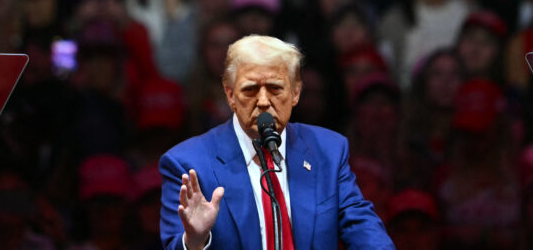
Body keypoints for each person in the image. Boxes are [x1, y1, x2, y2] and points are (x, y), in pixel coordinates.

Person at [159, 34, 394, 250]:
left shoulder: (328, 151)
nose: (263, 101)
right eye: (250, 89)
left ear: (295, 93)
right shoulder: (187, 163)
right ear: (230, 95)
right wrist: (195, 241)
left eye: (275, 88)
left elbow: (362, 226)